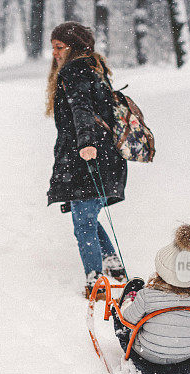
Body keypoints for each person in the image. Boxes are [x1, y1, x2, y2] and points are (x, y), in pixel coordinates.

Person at [45, 21, 128, 297]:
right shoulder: (92, 67)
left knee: (83, 220)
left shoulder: (75, 69)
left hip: (87, 155)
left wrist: (86, 144)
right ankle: (112, 263)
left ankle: (96, 281)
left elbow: (81, 108)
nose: (55, 53)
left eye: (59, 47)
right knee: (87, 213)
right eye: (53, 48)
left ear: (75, 47)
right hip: (102, 154)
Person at [118, 223, 190, 365]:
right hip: (186, 354)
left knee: (123, 318)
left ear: (160, 271)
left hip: (148, 353)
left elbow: (128, 320)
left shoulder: (147, 296)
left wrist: (128, 304)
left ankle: (129, 299)